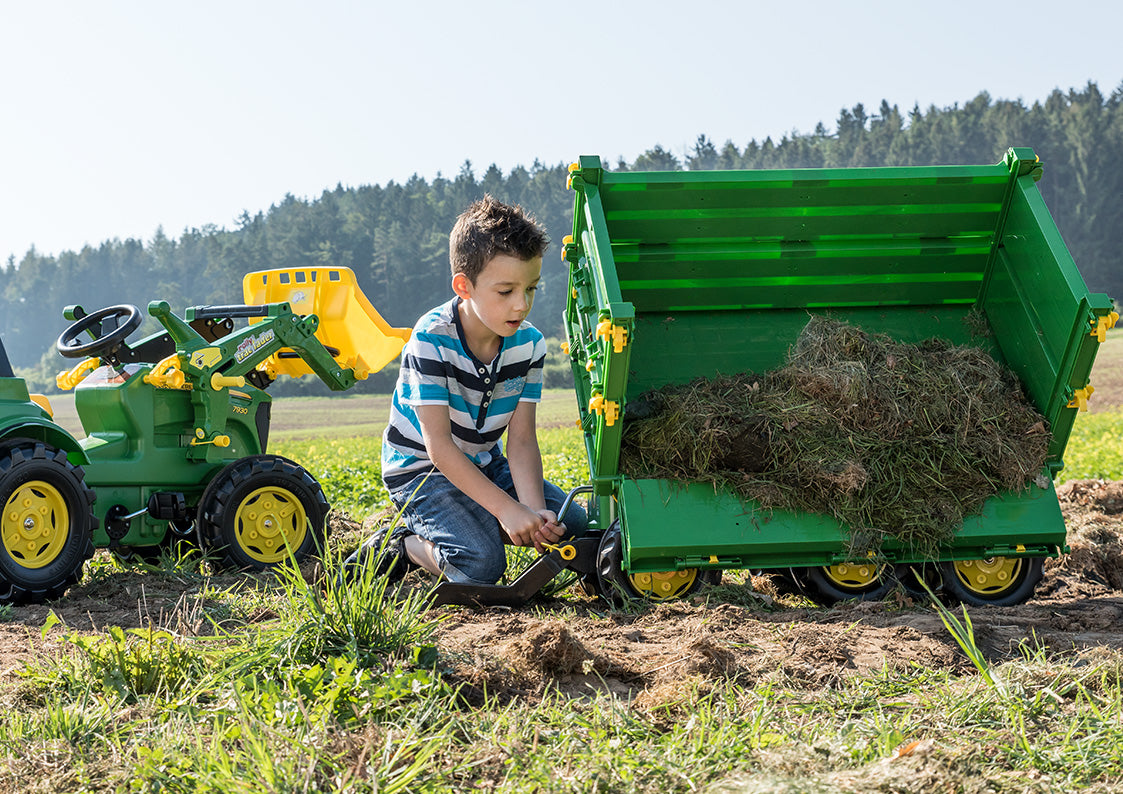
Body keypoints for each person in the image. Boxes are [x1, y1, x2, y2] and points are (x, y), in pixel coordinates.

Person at [346, 195, 587, 585]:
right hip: (421, 472)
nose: (521, 305)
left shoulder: (530, 345)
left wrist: (532, 512)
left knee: (573, 524)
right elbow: (439, 448)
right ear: (464, 286)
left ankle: (475, 524)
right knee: (481, 566)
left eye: (531, 288)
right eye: (506, 292)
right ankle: (402, 546)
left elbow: (521, 441)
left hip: (484, 464)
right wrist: (507, 511)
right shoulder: (430, 339)